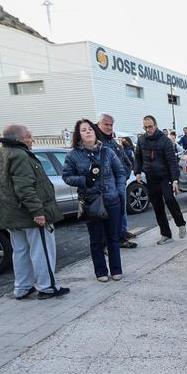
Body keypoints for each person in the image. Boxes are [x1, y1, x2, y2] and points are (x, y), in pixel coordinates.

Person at [0, 124, 69, 300]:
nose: (32, 140)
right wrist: (38, 212)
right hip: (29, 215)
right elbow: (25, 187)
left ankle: (22, 287)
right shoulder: (20, 156)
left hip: (11, 215)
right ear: (19, 140)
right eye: (29, 136)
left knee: (20, 251)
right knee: (42, 251)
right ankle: (47, 287)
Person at [63, 120, 127, 282]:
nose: (88, 132)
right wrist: (84, 180)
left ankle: (116, 269)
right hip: (91, 201)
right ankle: (100, 271)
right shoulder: (73, 155)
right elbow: (67, 176)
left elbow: (120, 172)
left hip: (112, 199)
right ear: (79, 134)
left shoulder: (107, 151)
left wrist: (119, 191)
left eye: (90, 129)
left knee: (113, 237)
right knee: (96, 239)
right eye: (83, 130)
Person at [134, 115, 187, 244]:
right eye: (145, 127)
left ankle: (181, 224)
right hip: (151, 178)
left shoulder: (165, 141)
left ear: (156, 125)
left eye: (150, 126)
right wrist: (137, 172)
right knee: (157, 207)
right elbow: (138, 157)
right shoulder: (141, 140)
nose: (148, 129)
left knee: (169, 199)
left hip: (165, 177)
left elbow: (172, 162)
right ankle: (166, 235)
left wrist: (175, 180)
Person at [97, 113, 138, 249]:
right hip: (107, 186)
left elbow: (124, 158)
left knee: (121, 211)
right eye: (106, 124)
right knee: (109, 215)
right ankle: (110, 242)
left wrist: (125, 174)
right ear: (99, 124)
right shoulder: (97, 142)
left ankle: (121, 234)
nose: (109, 127)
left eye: (111, 125)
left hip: (119, 183)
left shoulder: (112, 141)